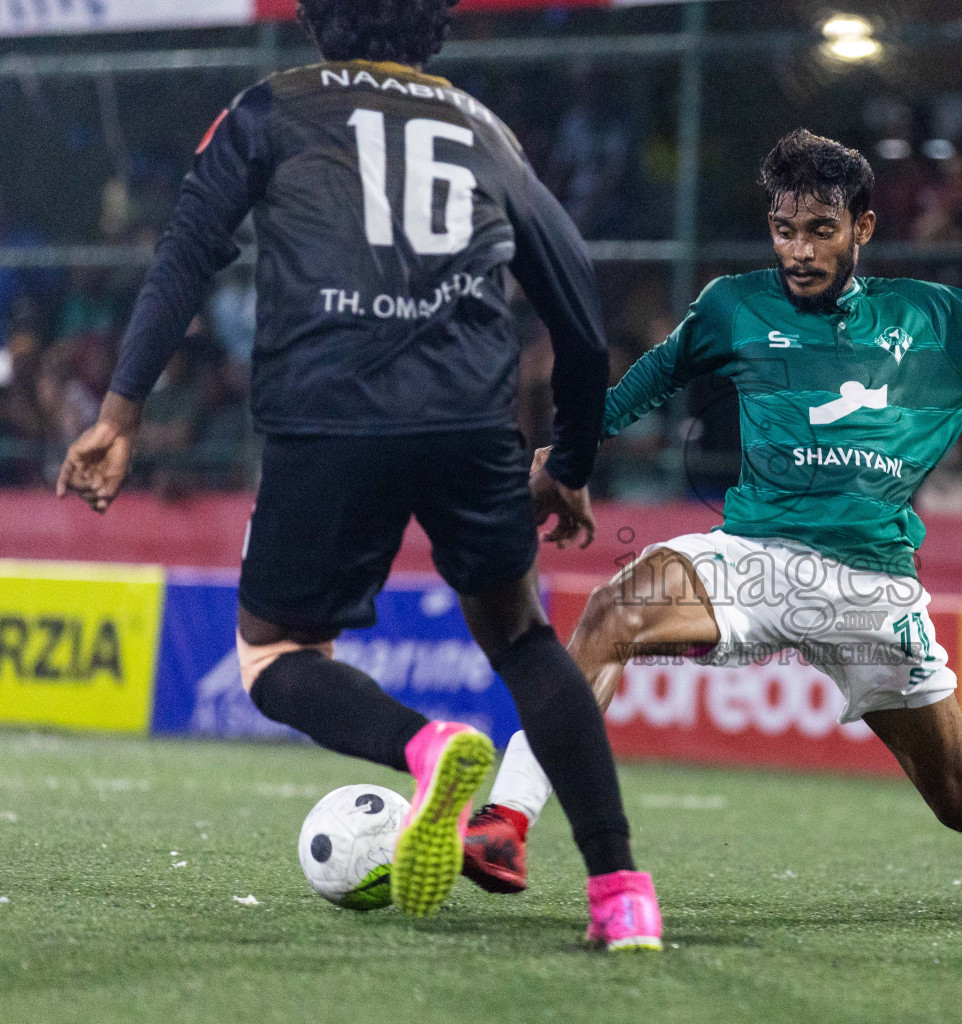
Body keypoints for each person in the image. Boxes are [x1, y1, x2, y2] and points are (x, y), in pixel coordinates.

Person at [464, 128, 962, 918]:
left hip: (872, 589)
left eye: (821, 231)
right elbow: (651, 379)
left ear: (863, 228)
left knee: (961, 799)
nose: (801, 252)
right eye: (785, 230)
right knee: (612, 611)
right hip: (754, 555)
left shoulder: (935, 321)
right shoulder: (732, 306)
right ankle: (507, 822)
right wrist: (568, 453)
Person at [54, 0, 661, 948]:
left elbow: (185, 257)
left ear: (314, 20)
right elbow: (579, 321)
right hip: (469, 418)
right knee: (522, 638)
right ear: (436, 28)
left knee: (273, 656)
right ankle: (623, 895)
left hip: (328, 411)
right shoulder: (484, 128)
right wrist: (570, 462)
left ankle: (425, 747)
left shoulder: (269, 108)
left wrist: (120, 412)